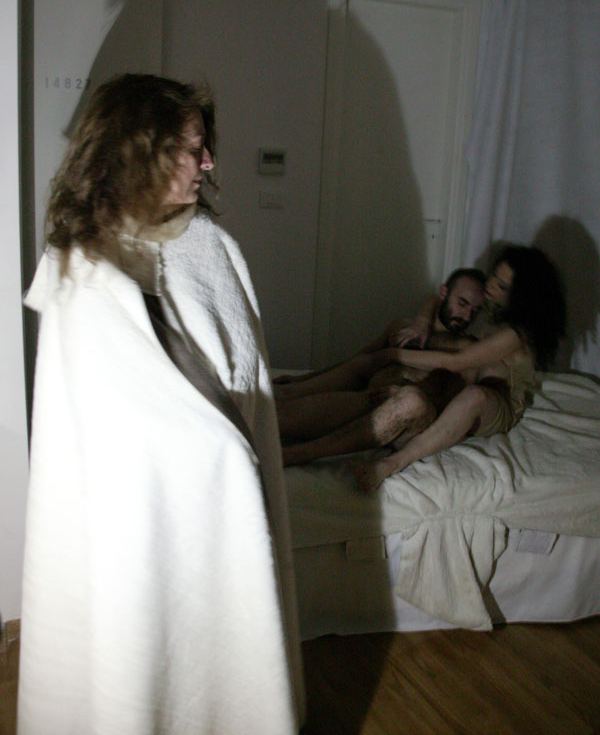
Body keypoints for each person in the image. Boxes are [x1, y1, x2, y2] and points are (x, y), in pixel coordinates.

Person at [18, 74, 304, 735]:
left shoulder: (213, 248)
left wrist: (237, 457)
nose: (208, 163)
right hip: (135, 516)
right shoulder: (80, 268)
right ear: (138, 150)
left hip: (221, 501)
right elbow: (114, 415)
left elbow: (245, 367)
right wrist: (220, 451)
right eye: (191, 149)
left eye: (205, 147)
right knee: (139, 661)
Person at [355, 244, 566, 491]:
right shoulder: (493, 307)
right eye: (494, 275)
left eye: (501, 286)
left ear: (520, 297)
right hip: (472, 380)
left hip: (498, 402)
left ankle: (393, 463)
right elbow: (441, 297)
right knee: (407, 339)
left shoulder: (514, 335)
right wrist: (422, 321)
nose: (490, 285)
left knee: (473, 395)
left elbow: (457, 361)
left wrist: (394, 355)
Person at [276, 269, 485, 461]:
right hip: (368, 397)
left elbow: (455, 409)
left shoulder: (469, 351)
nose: (467, 317)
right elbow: (361, 358)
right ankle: (290, 391)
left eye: (475, 311)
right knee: (282, 413)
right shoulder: (403, 327)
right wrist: (303, 378)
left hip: (406, 418)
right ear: (444, 293)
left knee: (410, 400)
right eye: (462, 303)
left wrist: (404, 392)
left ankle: (300, 453)